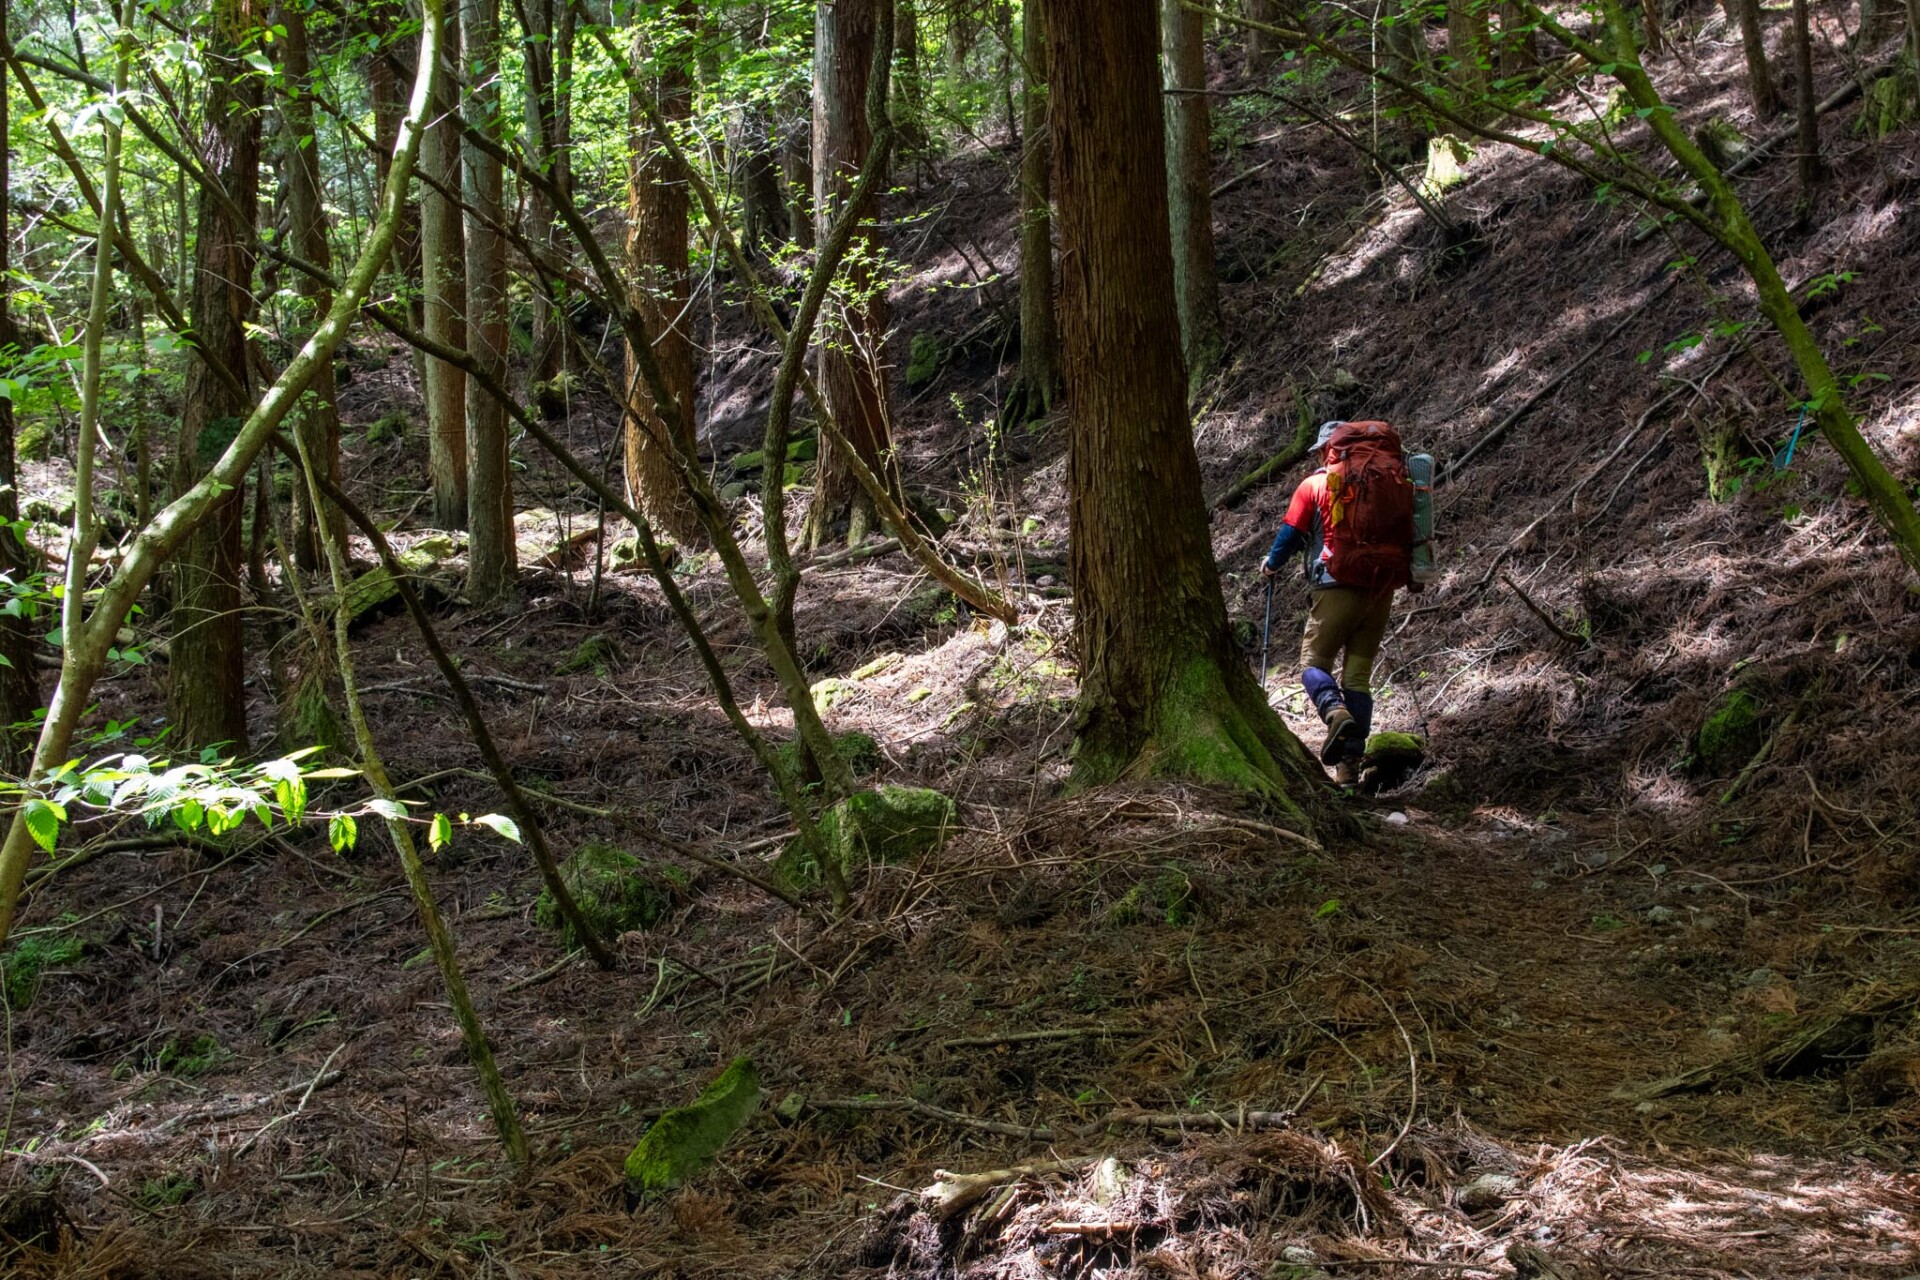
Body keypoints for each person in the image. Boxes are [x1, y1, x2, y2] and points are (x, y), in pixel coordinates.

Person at [1260, 420, 1419, 784]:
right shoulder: (1389, 477)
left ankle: (1335, 712)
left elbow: (1289, 535)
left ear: (1326, 450)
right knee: (1358, 678)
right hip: (1381, 589)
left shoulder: (1316, 484)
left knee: (1313, 663)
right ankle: (1349, 771)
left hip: (1335, 586)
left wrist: (1270, 565)